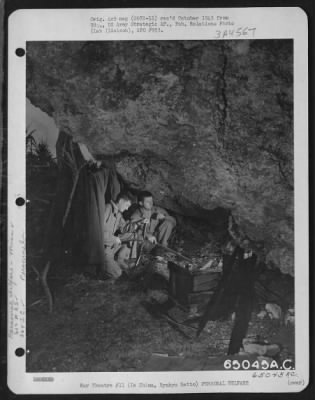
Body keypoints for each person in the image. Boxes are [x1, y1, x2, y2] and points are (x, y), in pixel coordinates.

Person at [102, 192, 133, 280]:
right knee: (118, 274)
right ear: (121, 201)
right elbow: (98, 232)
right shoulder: (107, 208)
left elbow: (125, 228)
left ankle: (118, 262)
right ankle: (108, 267)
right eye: (126, 205)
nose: (127, 209)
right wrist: (114, 239)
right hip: (101, 248)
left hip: (109, 246)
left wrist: (139, 223)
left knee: (126, 245)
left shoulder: (118, 213)